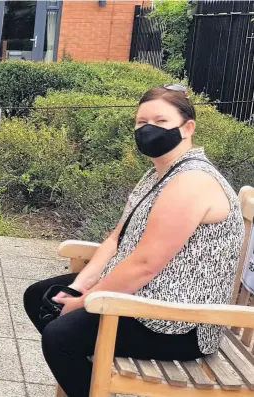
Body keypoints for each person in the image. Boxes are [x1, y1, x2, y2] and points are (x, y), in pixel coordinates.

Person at [22, 85, 245, 397]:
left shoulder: (192, 181)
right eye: (141, 122)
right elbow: (116, 239)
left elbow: (144, 265)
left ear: (188, 128)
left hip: (179, 321)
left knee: (61, 338)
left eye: (160, 121)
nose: (148, 129)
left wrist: (84, 302)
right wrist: (79, 287)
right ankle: (92, 383)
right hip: (144, 297)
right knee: (39, 297)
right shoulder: (159, 174)